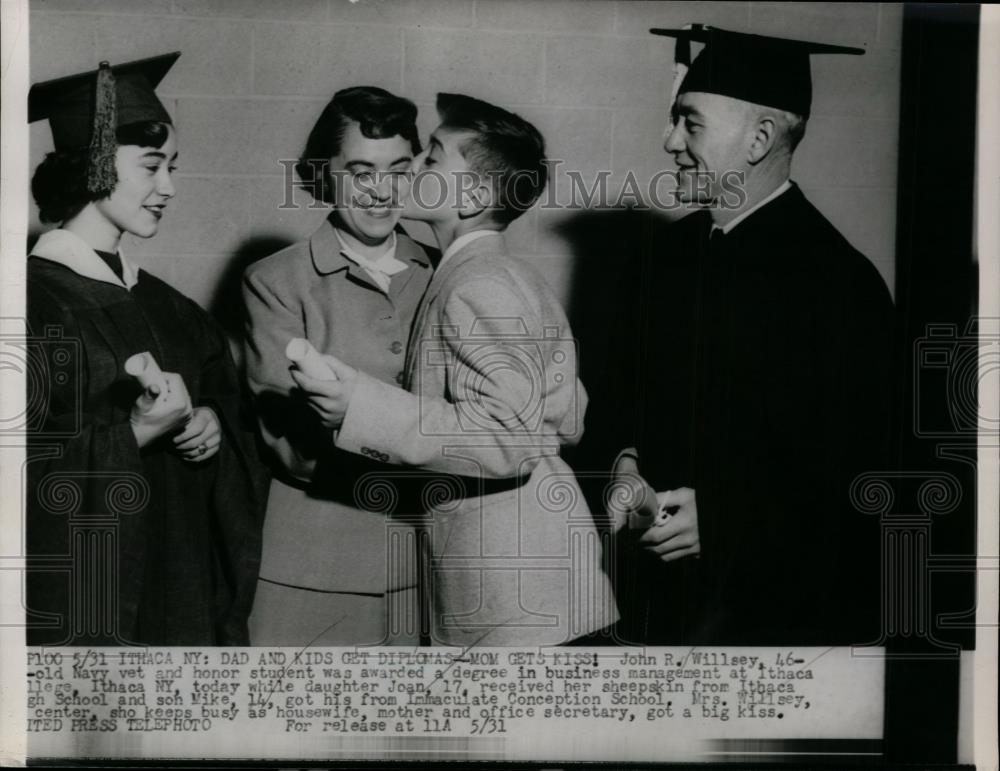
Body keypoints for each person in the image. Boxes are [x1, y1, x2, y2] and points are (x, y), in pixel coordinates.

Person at [287, 93, 619, 646]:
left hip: (516, 601)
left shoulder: (479, 283)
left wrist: (361, 409)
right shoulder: (498, 273)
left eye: (432, 159)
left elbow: (509, 438)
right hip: (536, 592)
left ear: (471, 196)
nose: (412, 166)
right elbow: (568, 415)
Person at [604, 26, 896, 645]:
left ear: (760, 138)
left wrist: (728, 522)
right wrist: (625, 463)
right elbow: (627, 391)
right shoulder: (670, 255)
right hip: (655, 599)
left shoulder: (840, 283)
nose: (668, 142)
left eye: (691, 123)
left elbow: (865, 475)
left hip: (769, 611)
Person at [26, 53, 264, 646]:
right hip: (92, 598)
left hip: (181, 578)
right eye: (152, 166)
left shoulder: (172, 308)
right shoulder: (29, 301)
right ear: (93, 165)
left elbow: (231, 414)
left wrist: (211, 424)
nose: (169, 187)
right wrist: (133, 435)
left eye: (172, 167)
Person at [242, 87, 433, 645]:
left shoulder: (444, 271)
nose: (381, 191)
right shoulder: (275, 280)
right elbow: (291, 446)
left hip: (430, 567)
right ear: (324, 174)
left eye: (399, 170)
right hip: (313, 573)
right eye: (360, 172)